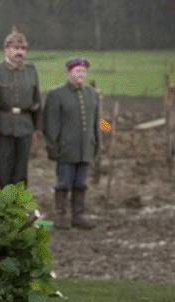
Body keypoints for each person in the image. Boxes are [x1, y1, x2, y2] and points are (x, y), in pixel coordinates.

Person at [42, 57, 100, 230]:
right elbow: (50, 124)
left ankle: (78, 216)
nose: (81, 74)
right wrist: (53, 148)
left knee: (81, 183)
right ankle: (60, 216)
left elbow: (96, 122)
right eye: (77, 71)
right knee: (63, 183)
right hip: (66, 149)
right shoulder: (56, 94)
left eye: (83, 71)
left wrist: (96, 144)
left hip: (85, 149)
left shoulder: (92, 94)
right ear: (69, 73)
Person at [0, 26, 40, 187]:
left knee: (21, 171)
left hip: (25, 126)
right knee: (4, 170)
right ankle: (3, 208)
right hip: (3, 127)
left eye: (23, 48)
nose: (20, 52)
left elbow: (36, 101)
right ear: (6, 50)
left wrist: (36, 128)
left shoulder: (31, 71)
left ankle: (19, 208)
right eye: (16, 48)